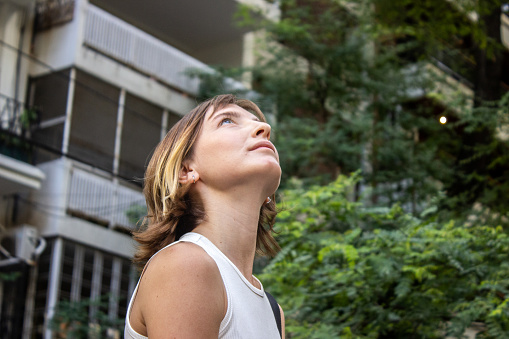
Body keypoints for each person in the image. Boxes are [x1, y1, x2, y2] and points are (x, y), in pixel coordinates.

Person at [124, 94, 285, 338]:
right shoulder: (185, 265)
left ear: (267, 197)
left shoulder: (274, 311)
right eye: (227, 121)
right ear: (187, 170)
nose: (264, 128)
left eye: (257, 122)